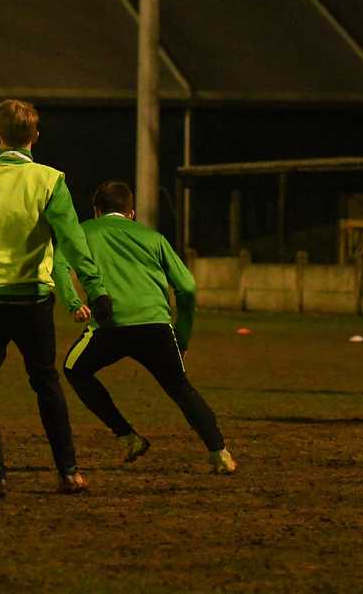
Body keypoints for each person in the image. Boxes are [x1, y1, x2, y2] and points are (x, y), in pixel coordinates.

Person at [0, 99, 113, 500]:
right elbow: (74, 241)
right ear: (34, 136)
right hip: (32, 300)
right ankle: (69, 472)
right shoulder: (50, 181)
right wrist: (96, 290)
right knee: (45, 381)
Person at [54, 180, 237, 474]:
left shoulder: (84, 231)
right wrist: (183, 336)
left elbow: (58, 267)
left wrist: (74, 303)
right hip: (156, 326)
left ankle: (127, 437)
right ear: (132, 213)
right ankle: (220, 452)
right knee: (180, 388)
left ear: (97, 211)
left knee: (75, 369)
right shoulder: (153, 237)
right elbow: (188, 287)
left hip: (110, 325)